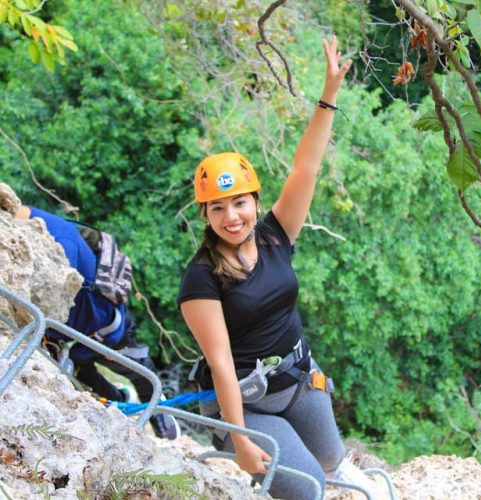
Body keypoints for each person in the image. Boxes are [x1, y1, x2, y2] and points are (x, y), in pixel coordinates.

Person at [178, 36, 373, 498]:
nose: (232, 217)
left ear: (255, 201)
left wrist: (329, 95)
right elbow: (221, 363)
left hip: (299, 377)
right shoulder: (200, 278)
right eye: (218, 208)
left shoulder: (274, 235)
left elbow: (305, 169)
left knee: (330, 461)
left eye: (240, 203)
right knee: (306, 490)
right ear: (204, 215)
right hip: (244, 402)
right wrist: (241, 440)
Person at [15, 204, 180, 441]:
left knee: (137, 369)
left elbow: (55, 289)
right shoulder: (32, 227)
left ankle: (160, 414)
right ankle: (123, 400)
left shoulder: (57, 237)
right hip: (72, 336)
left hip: (104, 329)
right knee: (86, 375)